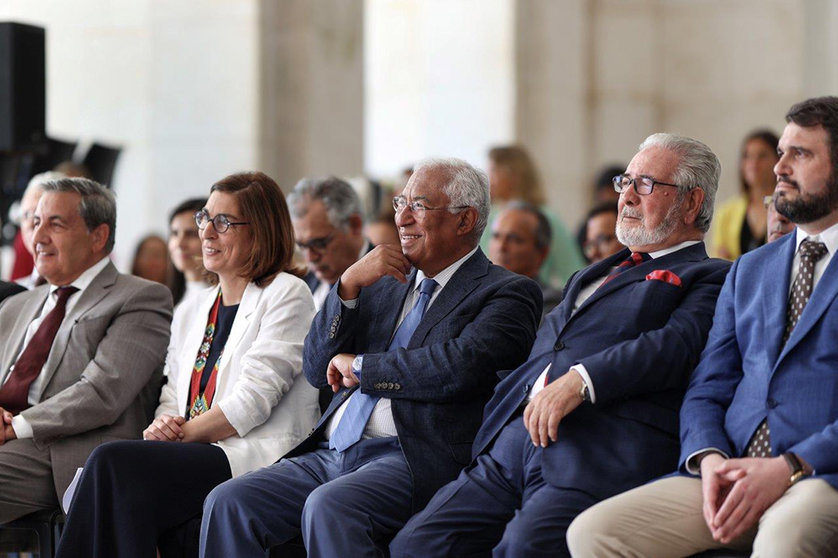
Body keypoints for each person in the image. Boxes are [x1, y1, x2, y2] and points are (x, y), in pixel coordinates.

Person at [390, 134, 732, 557]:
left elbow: (673, 346)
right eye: (625, 181)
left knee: (523, 548)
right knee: (416, 544)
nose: (626, 195)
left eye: (644, 185)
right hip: (511, 443)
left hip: (593, 448)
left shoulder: (712, 276)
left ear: (692, 202)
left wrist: (581, 380)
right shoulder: (594, 272)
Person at [200, 158, 542, 558]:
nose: (403, 219)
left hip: (412, 457)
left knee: (330, 507)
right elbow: (315, 368)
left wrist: (362, 368)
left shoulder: (507, 292)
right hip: (332, 451)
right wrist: (346, 286)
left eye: (419, 206)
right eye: (400, 203)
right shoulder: (381, 280)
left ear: (464, 221)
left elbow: (458, 366)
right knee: (228, 502)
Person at [568, 96, 838, 558]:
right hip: (727, 470)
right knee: (594, 533)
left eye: (802, 154)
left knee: (783, 539)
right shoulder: (749, 269)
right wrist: (708, 457)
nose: (779, 169)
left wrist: (789, 466)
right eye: (781, 153)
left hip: (819, 475)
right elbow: (708, 386)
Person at [54, 171, 319, 558]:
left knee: (112, 462)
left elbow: (254, 400)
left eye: (223, 222)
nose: (206, 233)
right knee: (118, 481)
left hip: (248, 452)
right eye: (204, 218)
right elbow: (172, 394)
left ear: (260, 231)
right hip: (191, 448)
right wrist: (164, 425)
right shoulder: (193, 306)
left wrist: (179, 436)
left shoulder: (286, 293)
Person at [0, 177, 172, 523]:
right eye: (35, 222)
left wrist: (15, 426)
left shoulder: (140, 297)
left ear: (99, 236)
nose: (38, 237)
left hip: (62, 450)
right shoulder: (16, 305)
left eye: (56, 224)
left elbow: (103, 392)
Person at [480, 145, 586, 286]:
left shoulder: (546, 218)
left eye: (493, 171)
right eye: (497, 236)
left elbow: (572, 271)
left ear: (513, 175)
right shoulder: (489, 216)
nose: (488, 180)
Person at [287, 176, 370, 311]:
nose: (310, 257)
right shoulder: (300, 285)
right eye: (302, 246)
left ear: (355, 225)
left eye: (319, 243)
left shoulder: (389, 283)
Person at [710, 129, 780, 260]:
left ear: (778, 161)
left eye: (762, 156)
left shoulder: (789, 210)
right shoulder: (726, 213)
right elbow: (718, 262)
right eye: (747, 156)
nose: (753, 163)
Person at [489, 201, 563, 319]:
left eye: (514, 239)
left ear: (542, 253)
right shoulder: (474, 293)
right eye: (496, 236)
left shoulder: (550, 304)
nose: (501, 247)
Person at [11, 171, 66, 288]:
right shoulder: (11, 292)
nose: (31, 224)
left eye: (38, 216)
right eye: (26, 215)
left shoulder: (78, 290)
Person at [167, 197, 211, 306]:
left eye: (191, 234)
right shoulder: (167, 298)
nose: (180, 244)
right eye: (175, 233)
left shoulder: (223, 299)